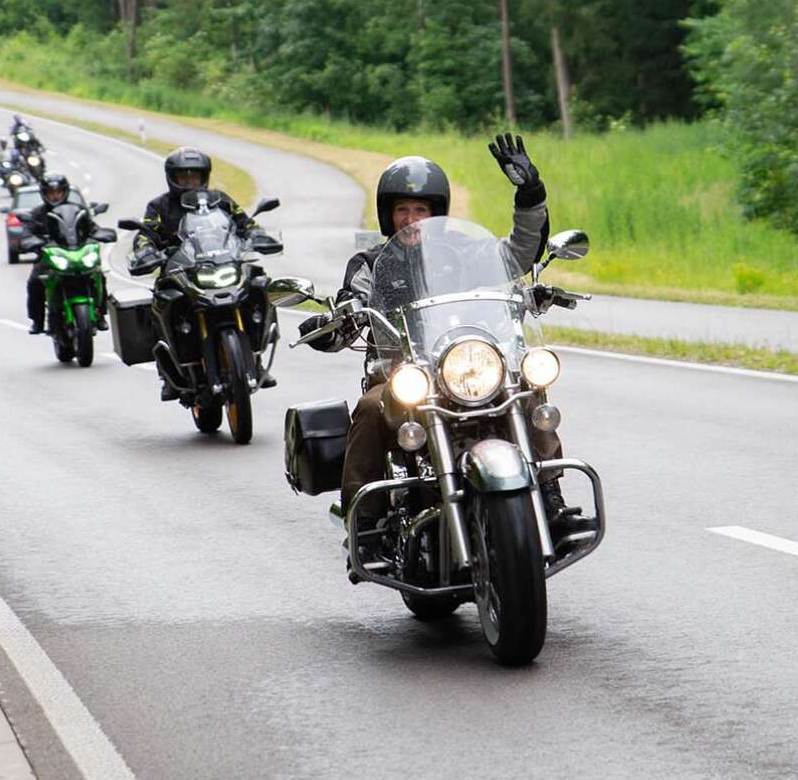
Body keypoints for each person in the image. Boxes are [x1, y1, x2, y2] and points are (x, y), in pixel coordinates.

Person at [298, 134, 594, 542]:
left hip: (468, 368)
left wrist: (530, 193)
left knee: (527, 389)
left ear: (436, 212)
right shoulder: (370, 264)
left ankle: (550, 497)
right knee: (369, 408)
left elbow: (518, 254)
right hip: (404, 377)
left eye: (421, 209)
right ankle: (363, 519)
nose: (411, 217)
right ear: (389, 214)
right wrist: (335, 323)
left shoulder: (466, 251)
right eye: (403, 209)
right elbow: (352, 301)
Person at [130, 148, 255, 398]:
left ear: (204, 177)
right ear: (171, 177)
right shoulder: (158, 206)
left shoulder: (221, 200)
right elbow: (145, 234)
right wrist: (146, 251)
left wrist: (257, 235)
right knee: (162, 303)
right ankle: (168, 374)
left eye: (194, 177)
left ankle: (254, 358)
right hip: (179, 271)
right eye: (183, 177)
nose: (189, 182)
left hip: (220, 264)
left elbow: (246, 223)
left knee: (257, 285)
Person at [19, 173, 109, 334]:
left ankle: (101, 314)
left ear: (65, 192)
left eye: (58, 192)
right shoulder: (38, 213)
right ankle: (37, 320)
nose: (55, 196)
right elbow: (27, 233)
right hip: (50, 257)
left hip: (77, 253)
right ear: (44, 194)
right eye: (50, 193)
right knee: (34, 282)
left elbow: (92, 228)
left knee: (99, 275)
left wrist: (102, 234)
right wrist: (30, 241)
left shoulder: (79, 210)